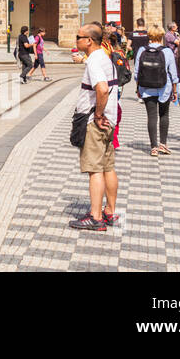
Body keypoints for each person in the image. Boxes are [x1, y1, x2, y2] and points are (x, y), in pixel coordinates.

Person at [70, 23, 120, 231]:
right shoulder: (104, 57)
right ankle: (109, 211)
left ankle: (96, 216)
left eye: (78, 36)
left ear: (89, 40)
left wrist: (97, 114)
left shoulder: (94, 61)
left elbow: (102, 89)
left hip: (96, 122)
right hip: (110, 120)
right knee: (108, 167)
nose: (76, 40)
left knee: (95, 169)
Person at [135, 25, 178, 156]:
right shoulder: (167, 51)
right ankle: (163, 145)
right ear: (162, 36)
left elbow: (136, 73)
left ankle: (153, 147)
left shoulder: (142, 50)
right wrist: (175, 92)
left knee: (151, 117)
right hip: (164, 88)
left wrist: (138, 88)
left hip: (146, 88)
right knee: (164, 115)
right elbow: (173, 74)